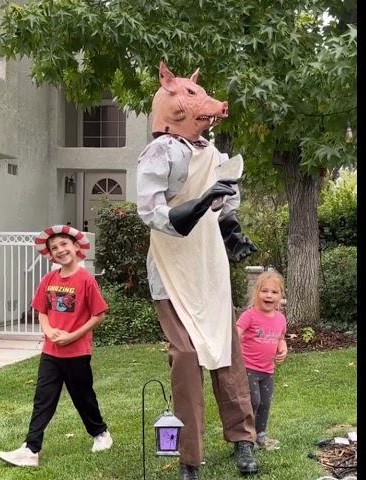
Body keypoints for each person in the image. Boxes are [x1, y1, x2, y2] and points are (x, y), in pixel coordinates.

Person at [137, 62, 259, 480]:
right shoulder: (159, 152)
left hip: (209, 264)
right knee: (187, 357)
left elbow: (224, 203)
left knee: (228, 351)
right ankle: (190, 457)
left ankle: (244, 439)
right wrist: (200, 202)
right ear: (170, 98)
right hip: (171, 268)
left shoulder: (213, 153)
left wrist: (232, 228)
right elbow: (152, 211)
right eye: (192, 94)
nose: (203, 103)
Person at [0, 225, 112, 467]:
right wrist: (49, 332)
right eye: (54, 248)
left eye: (64, 244)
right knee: (43, 398)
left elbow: (99, 315)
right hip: (51, 352)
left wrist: (73, 336)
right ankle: (31, 449)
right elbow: (41, 310)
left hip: (77, 352)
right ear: (50, 254)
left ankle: (100, 433)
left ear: (76, 247)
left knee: (83, 397)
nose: (60, 250)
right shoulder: (49, 279)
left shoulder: (86, 280)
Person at [237, 271, 288, 450]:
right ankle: (246, 438)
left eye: (274, 292)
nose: (269, 295)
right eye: (264, 291)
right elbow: (236, 334)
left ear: (281, 295)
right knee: (253, 401)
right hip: (248, 368)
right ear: (256, 293)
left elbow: (281, 337)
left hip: (267, 370)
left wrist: (283, 347)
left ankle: (261, 436)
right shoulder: (249, 315)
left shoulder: (281, 319)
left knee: (265, 403)